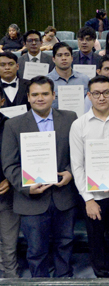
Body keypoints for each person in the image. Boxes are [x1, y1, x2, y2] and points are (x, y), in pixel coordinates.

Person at [2, 75, 77, 277]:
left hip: (63, 195)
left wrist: (70, 172)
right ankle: (39, 282)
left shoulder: (70, 118)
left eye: (45, 94)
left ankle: (64, 279)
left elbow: (79, 153)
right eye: (35, 94)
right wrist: (27, 186)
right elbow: (9, 164)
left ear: (54, 95)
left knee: (65, 244)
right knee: (36, 250)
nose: (40, 98)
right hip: (31, 199)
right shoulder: (13, 125)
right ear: (28, 97)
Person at [70, 75, 109, 278]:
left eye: (106, 92)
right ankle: (101, 276)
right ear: (89, 95)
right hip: (94, 196)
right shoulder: (79, 125)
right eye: (96, 93)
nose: (101, 97)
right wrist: (88, 199)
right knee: (96, 240)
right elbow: (77, 166)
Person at [0, 85, 18, 279]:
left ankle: (12, 279)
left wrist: (10, 180)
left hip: (7, 192)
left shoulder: (12, 126)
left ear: (2, 101)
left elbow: (21, 158)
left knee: (9, 243)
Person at [48, 43, 90, 109]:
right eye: (59, 55)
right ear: (53, 59)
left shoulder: (84, 79)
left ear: (72, 58)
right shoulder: (46, 81)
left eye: (67, 55)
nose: (64, 58)